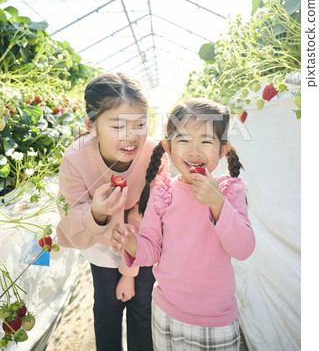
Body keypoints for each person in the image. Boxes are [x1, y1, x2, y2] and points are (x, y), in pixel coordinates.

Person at [112, 98, 255, 351]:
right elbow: (152, 249)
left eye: (206, 141)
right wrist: (132, 242)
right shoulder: (163, 191)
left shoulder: (228, 191)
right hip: (165, 312)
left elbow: (243, 249)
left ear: (223, 150)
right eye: (184, 140)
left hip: (215, 320)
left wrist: (217, 203)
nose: (194, 151)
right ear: (167, 147)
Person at [56, 72, 168, 351]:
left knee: (143, 306)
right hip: (100, 239)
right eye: (118, 126)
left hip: (142, 241)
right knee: (107, 307)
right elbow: (70, 212)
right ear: (90, 125)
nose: (131, 137)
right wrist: (96, 212)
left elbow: (154, 215)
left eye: (140, 124)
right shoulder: (75, 157)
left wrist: (129, 271)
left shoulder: (154, 154)